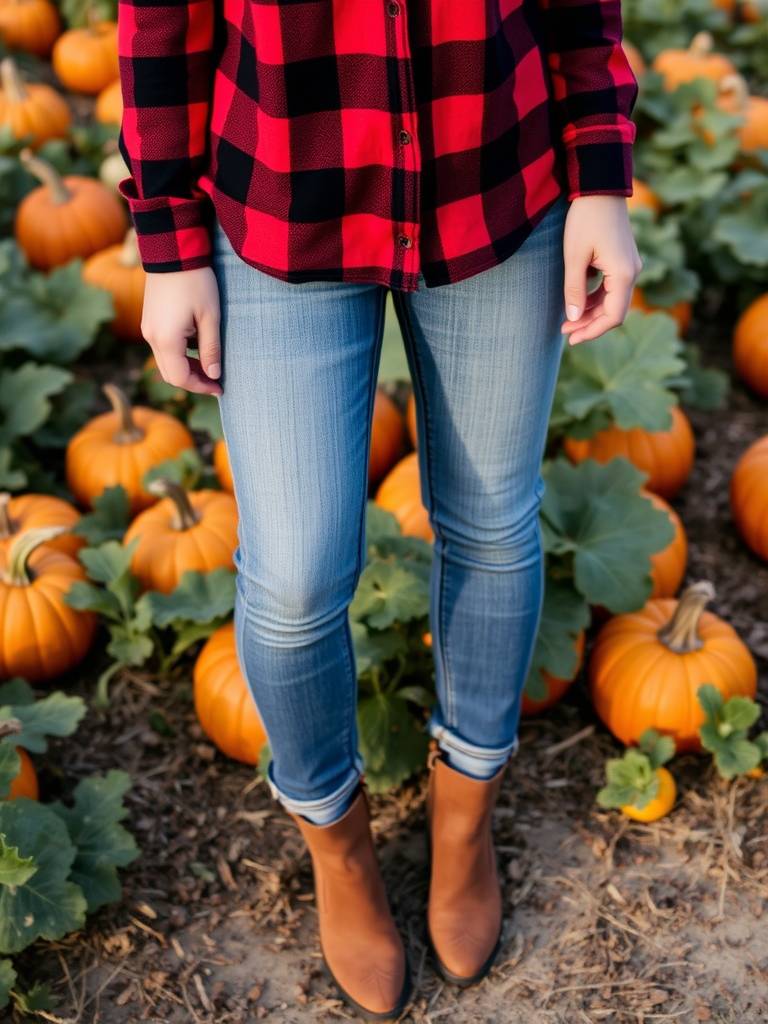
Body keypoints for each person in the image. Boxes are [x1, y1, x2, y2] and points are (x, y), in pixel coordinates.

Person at [117, 0, 641, 1018]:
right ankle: (341, 849)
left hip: (495, 177)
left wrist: (602, 179)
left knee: (493, 521)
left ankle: (462, 821)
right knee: (296, 574)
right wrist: (170, 244)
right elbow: (157, 23)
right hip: (280, 193)